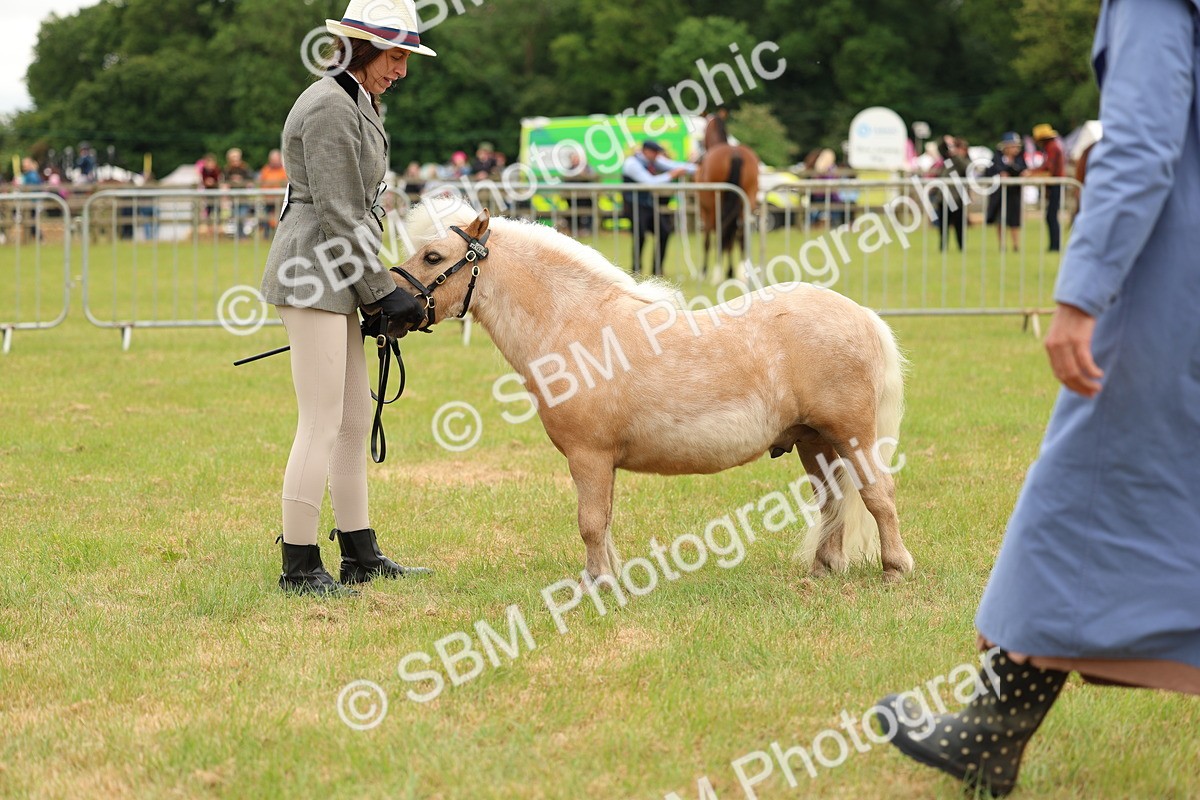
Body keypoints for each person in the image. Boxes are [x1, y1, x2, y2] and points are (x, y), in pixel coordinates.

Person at [877, 1, 1200, 796]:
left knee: (1082, 492)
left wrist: (1082, 293)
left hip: (1177, 290)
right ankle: (993, 729)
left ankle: (993, 730)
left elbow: (1142, 142)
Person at [258, 0, 434, 595]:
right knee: (321, 421)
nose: (401, 69)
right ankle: (300, 566)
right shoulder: (331, 105)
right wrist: (381, 292)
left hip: (340, 271)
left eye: (406, 56)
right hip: (314, 271)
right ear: (361, 46)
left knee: (354, 417)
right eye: (394, 56)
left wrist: (375, 290)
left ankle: (359, 553)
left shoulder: (358, 99)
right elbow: (337, 212)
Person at [621, 140, 696, 276]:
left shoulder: (652, 161)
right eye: (655, 152)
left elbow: (672, 165)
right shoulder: (632, 164)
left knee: (664, 231)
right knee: (640, 236)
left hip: (647, 205)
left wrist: (697, 168)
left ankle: (657, 269)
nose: (657, 155)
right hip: (633, 205)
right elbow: (650, 182)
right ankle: (636, 270)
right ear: (647, 151)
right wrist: (672, 175)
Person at [1026, 123, 1066, 251]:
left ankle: (1055, 246)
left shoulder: (1052, 148)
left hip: (1056, 184)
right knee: (1051, 216)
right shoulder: (1052, 147)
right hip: (1055, 184)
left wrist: (1032, 172)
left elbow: (1049, 168)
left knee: (1051, 216)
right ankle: (1054, 245)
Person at [985, 132, 1026, 252]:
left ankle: (1016, 245)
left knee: (1014, 219)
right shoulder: (997, 158)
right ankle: (1002, 245)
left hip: (1014, 193)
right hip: (999, 194)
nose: (1016, 149)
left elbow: (1024, 170)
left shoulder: (1020, 158)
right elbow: (990, 172)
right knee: (1000, 219)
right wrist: (1000, 174)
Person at [934, 136, 970, 252]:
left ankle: (961, 247)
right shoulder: (949, 160)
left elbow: (966, 168)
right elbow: (940, 148)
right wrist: (945, 141)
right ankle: (943, 247)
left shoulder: (964, 161)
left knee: (959, 225)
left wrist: (957, 155)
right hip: (944, 197)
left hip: (957, 198)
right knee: (943, 225)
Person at [257, 149, 288, 237]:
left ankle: (280, 236)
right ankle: (266, 235)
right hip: (268, 199)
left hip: (281, 200)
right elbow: (261, 183)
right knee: (267, 218)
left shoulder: (284, 170)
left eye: (276, 159)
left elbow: (287, 183)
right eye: (273, 159)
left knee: (281, 218)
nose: (275, 161)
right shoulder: (265, 170)